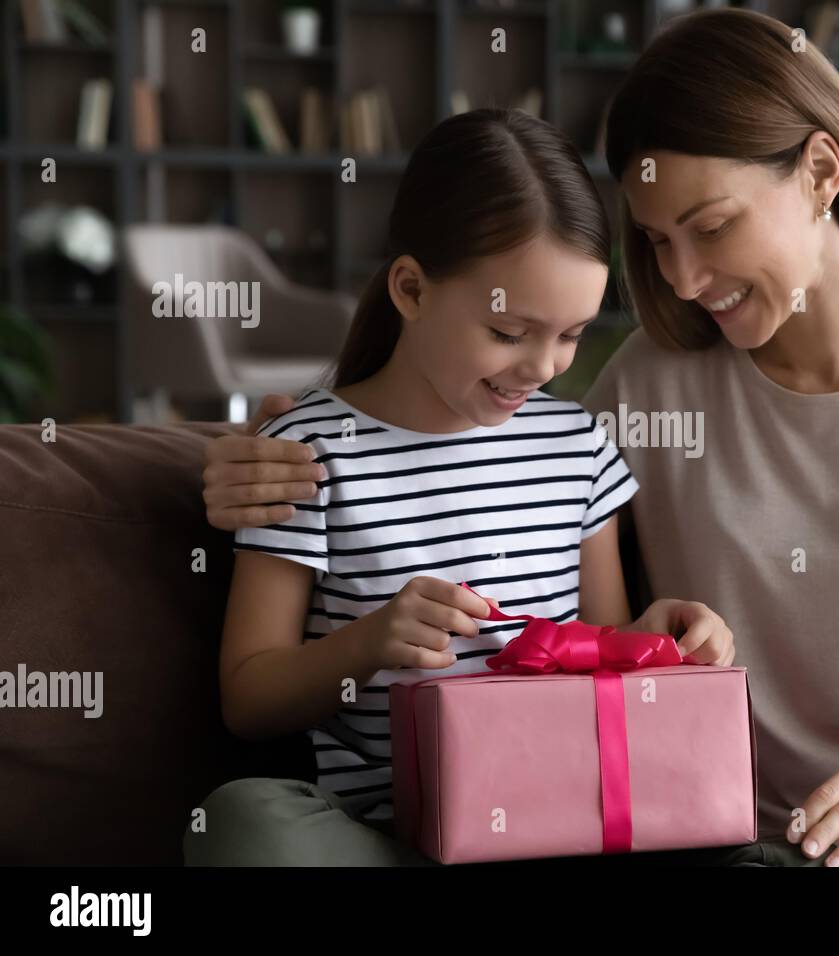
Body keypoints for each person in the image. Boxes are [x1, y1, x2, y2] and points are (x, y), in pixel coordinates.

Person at [200, 9, 839, 867]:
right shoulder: (644, 392)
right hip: (785, 842)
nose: (681, 278)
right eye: (657, 242)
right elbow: (458, 409)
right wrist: (246, 448)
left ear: (819, 172)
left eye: (709, 227)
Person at [184, 108, 734, 866]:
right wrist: (368, 644)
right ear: (410, 289)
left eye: (570, 335)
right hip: (386, 832)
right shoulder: (304, 454)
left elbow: (599, 655)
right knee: (248, 821)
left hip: (555, 821)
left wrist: (654, 640)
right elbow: (248, 698)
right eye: (510, 333)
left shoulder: (576, 446)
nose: (544, 367)